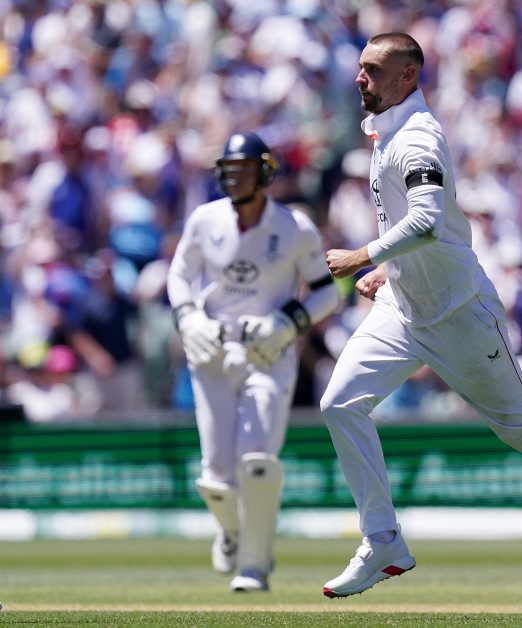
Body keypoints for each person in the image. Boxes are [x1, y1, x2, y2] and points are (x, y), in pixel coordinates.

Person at [320, 32, 522, 598]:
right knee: (339, 403)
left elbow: (427, 222)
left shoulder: (418, 136)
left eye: (374, 69)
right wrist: (390, 270)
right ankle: (383, 539)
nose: (361, 77)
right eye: (361, 67)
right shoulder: (386, 130)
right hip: (403, 306)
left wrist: (361, 256)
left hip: (459, 312)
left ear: (407, 76)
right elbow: (420, 228)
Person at [166, 132, 339, 592]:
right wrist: (188, 318)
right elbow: (179, 275)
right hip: (211, 349)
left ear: (264, 173)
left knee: (257, 461)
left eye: (244, 169)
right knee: (217, 475)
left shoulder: (294, 227)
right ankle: (232, 532)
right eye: (229, 169)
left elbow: (326, 291)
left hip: (269, 352)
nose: (235, 178)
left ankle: (254, 566)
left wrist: (288, 322)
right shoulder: (205, 219)